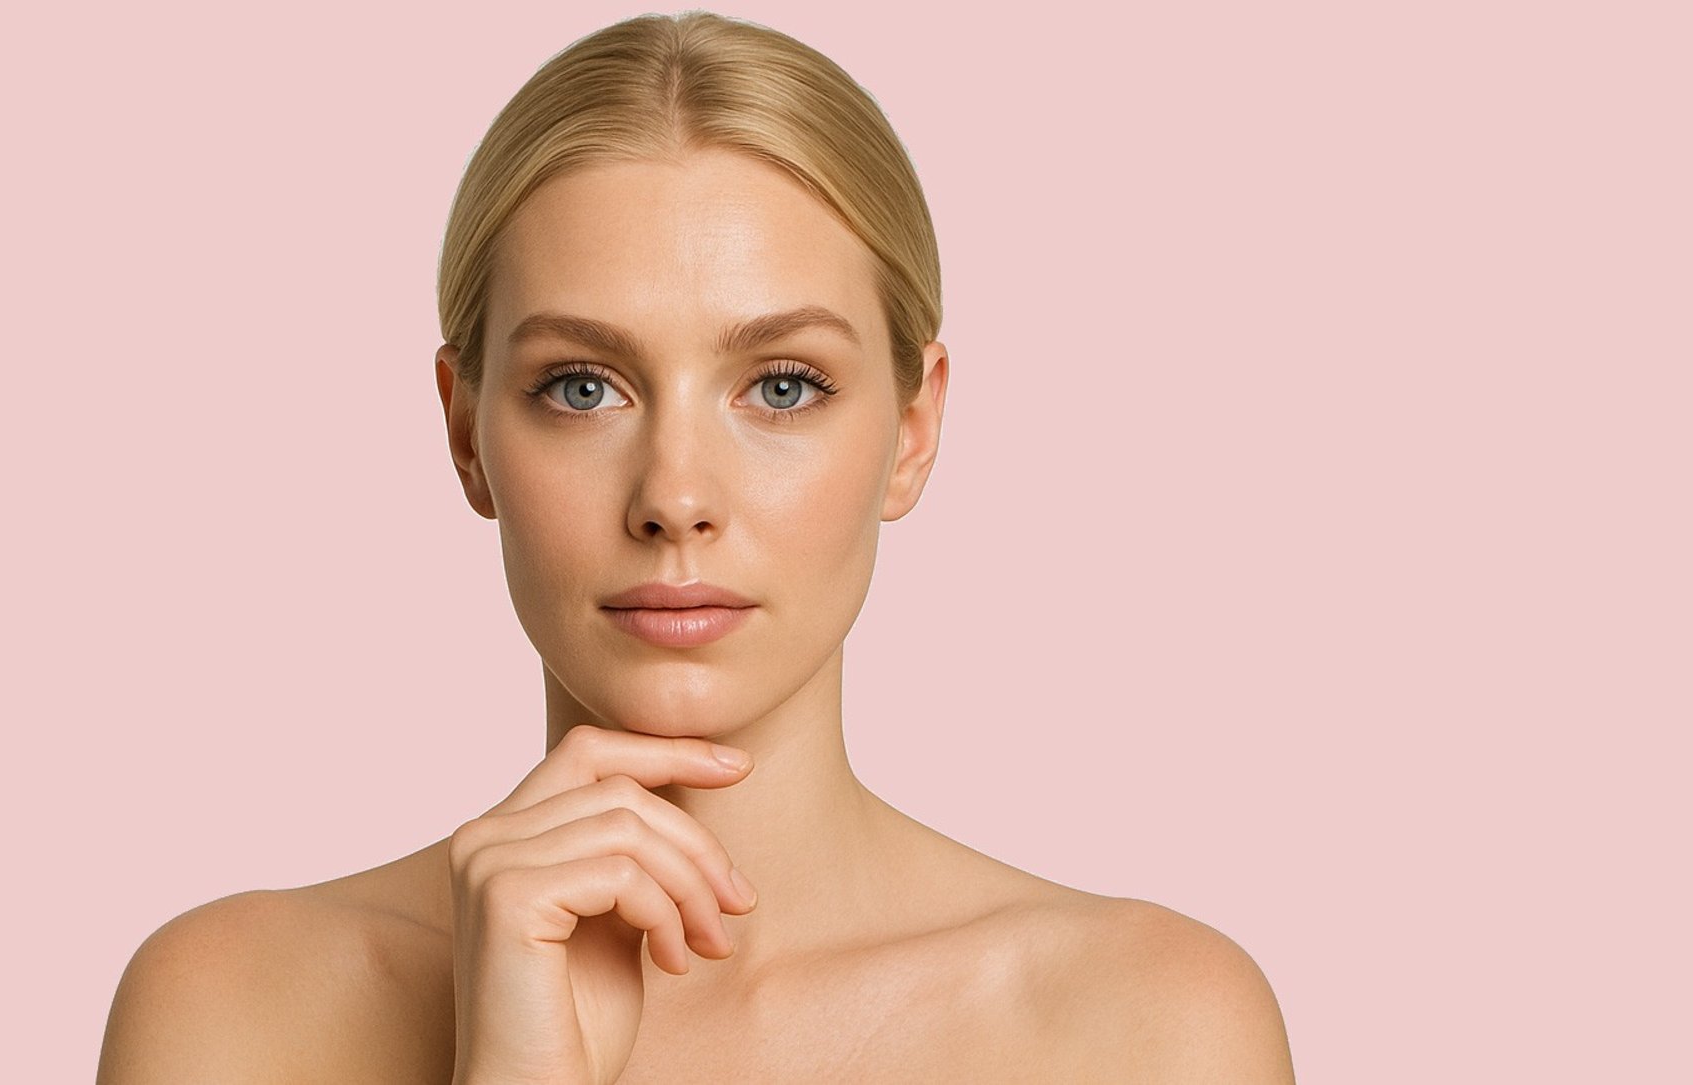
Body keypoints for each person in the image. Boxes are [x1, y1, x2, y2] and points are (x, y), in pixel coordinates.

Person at [97, 11, 1295, 1082]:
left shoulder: (1150, 1025)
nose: (675, 496)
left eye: (781, 385)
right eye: (581, 386)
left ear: (913, 430)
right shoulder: (232, 1008)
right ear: (467, 434)